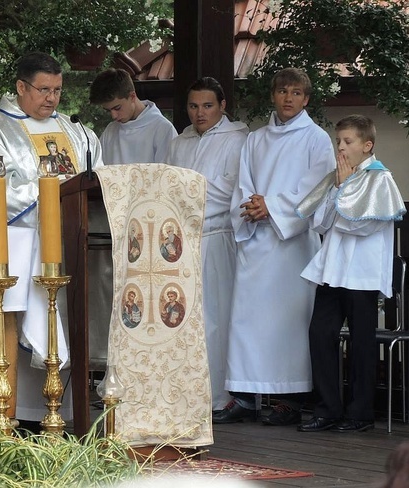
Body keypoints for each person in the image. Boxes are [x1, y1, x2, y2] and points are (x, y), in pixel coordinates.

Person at [0, 51, 103, 424]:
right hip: (21, 247)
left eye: (57, 90)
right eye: (43, 89)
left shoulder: (75, 130)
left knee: (66, 319)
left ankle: (58, 411)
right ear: (21, 87)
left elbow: (95, 176)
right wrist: (49, 193)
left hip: (70, 245)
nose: (51, 98)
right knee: (22, 319)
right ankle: (11, 410)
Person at [213, 68, 335, 426]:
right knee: (247, 320)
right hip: (256, 240)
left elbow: (318, 188)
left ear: (306, 99)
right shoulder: (256, 138)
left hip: (292, 245)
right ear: (273, 95)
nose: (288, 98)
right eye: (283, 91)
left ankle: (290, 399)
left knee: (288, 323)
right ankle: (246, 397)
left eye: (296, 93)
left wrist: (275, 207)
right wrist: (253, 206)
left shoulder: (317, 139)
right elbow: (243, 181)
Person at [296, 115, 405, 433]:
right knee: (320, 335)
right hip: (332, 271)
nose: (340, 147)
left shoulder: (380, 178)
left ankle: (359, 414)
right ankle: (328, 408)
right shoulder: (337, 177)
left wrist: (342, 191)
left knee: (361, 343)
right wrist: (337, 190)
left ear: (367, 145)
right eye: (338, 141)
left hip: (361, 275)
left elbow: (364, 225)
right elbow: (318, 222)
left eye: (348, 141)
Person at [166, 77, 249, 412]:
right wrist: (188, 191)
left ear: (223, 105)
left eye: (207, 106)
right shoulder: (179, 142)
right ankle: (186, 394)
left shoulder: (239, 139)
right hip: (180, 243)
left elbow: (230, 190)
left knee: (215, 318)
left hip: (216, 238)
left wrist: (185, 192)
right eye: (193, 106)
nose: (199, 113)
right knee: (183, 319)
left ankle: (220, 397)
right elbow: (165, 185)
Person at [88, 67, 176, 164]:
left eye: (117, 108)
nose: (113, 116)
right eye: (108, 111)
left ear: (132, 96)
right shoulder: (110, 130)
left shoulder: (163, 130)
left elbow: (169, 175)